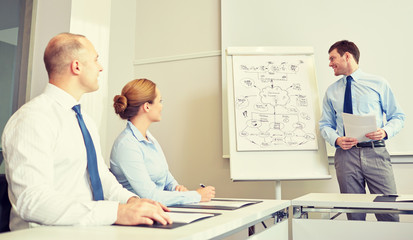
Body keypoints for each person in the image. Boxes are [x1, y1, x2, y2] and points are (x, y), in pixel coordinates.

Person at [1, 33, 172, 231]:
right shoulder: (32, 119)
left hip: (89, 229)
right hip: (45, 234)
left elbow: (102, 177)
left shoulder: (85, 121)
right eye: (96, 59)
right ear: (76, 66)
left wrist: (133, 201)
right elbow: (31, 201)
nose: (100, 67)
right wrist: (116, 212)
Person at [319, 40, 405, 221]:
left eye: (332, 58)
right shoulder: (331, 91)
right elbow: (325, 124)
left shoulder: (378, 83)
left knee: (389, 212)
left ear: (347, 56)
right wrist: (336, 139)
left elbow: (398, 117)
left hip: (376, 153)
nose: (330, 63)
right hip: (346, 156)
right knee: (354, 214)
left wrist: (385, 131)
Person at [110, 78, 216, 206]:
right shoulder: (127, 145)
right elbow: (150, 195)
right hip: (138, 215)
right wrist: (196, 196)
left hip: (157, 209)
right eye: (160, 101)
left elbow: (166, 178)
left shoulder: (149, 138)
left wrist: (176, 188)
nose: (162, 106)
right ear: (147, 106)